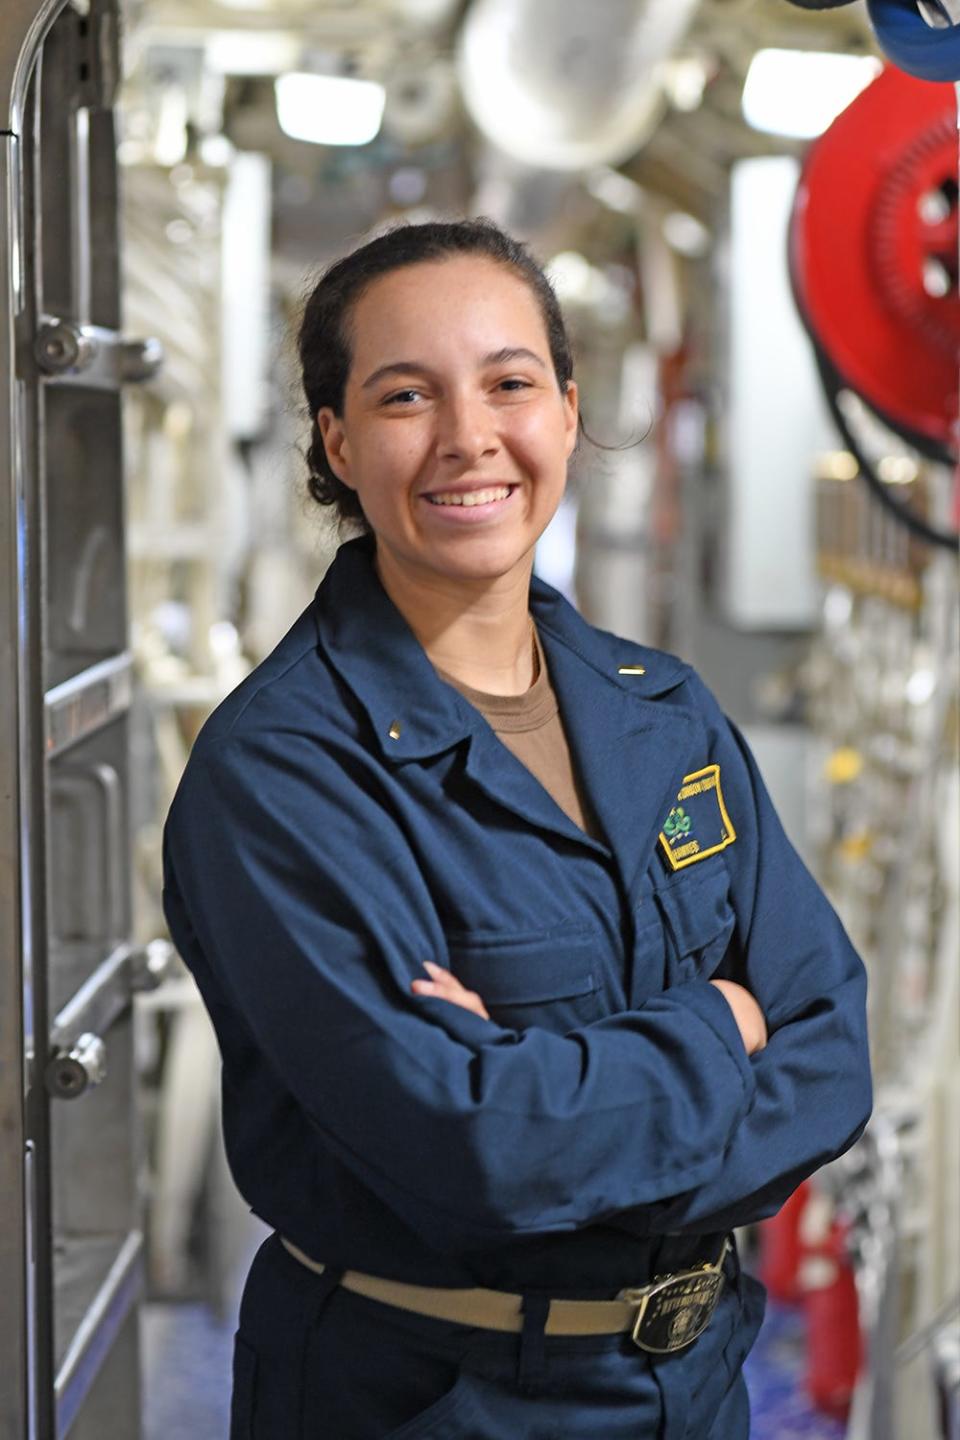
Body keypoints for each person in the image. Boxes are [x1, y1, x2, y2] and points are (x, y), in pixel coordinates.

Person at [161, 218, 872, 1439]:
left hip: (693, 1386)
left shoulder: (667, 714)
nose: (468, 437)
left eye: (508, 383)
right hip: (430, 1397)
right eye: (404, 396)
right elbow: (475, 1148)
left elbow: (830, 1050)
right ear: (335, 439)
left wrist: (570, 1116)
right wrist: (719, 1023)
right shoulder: (281, 774)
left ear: (564, 407)